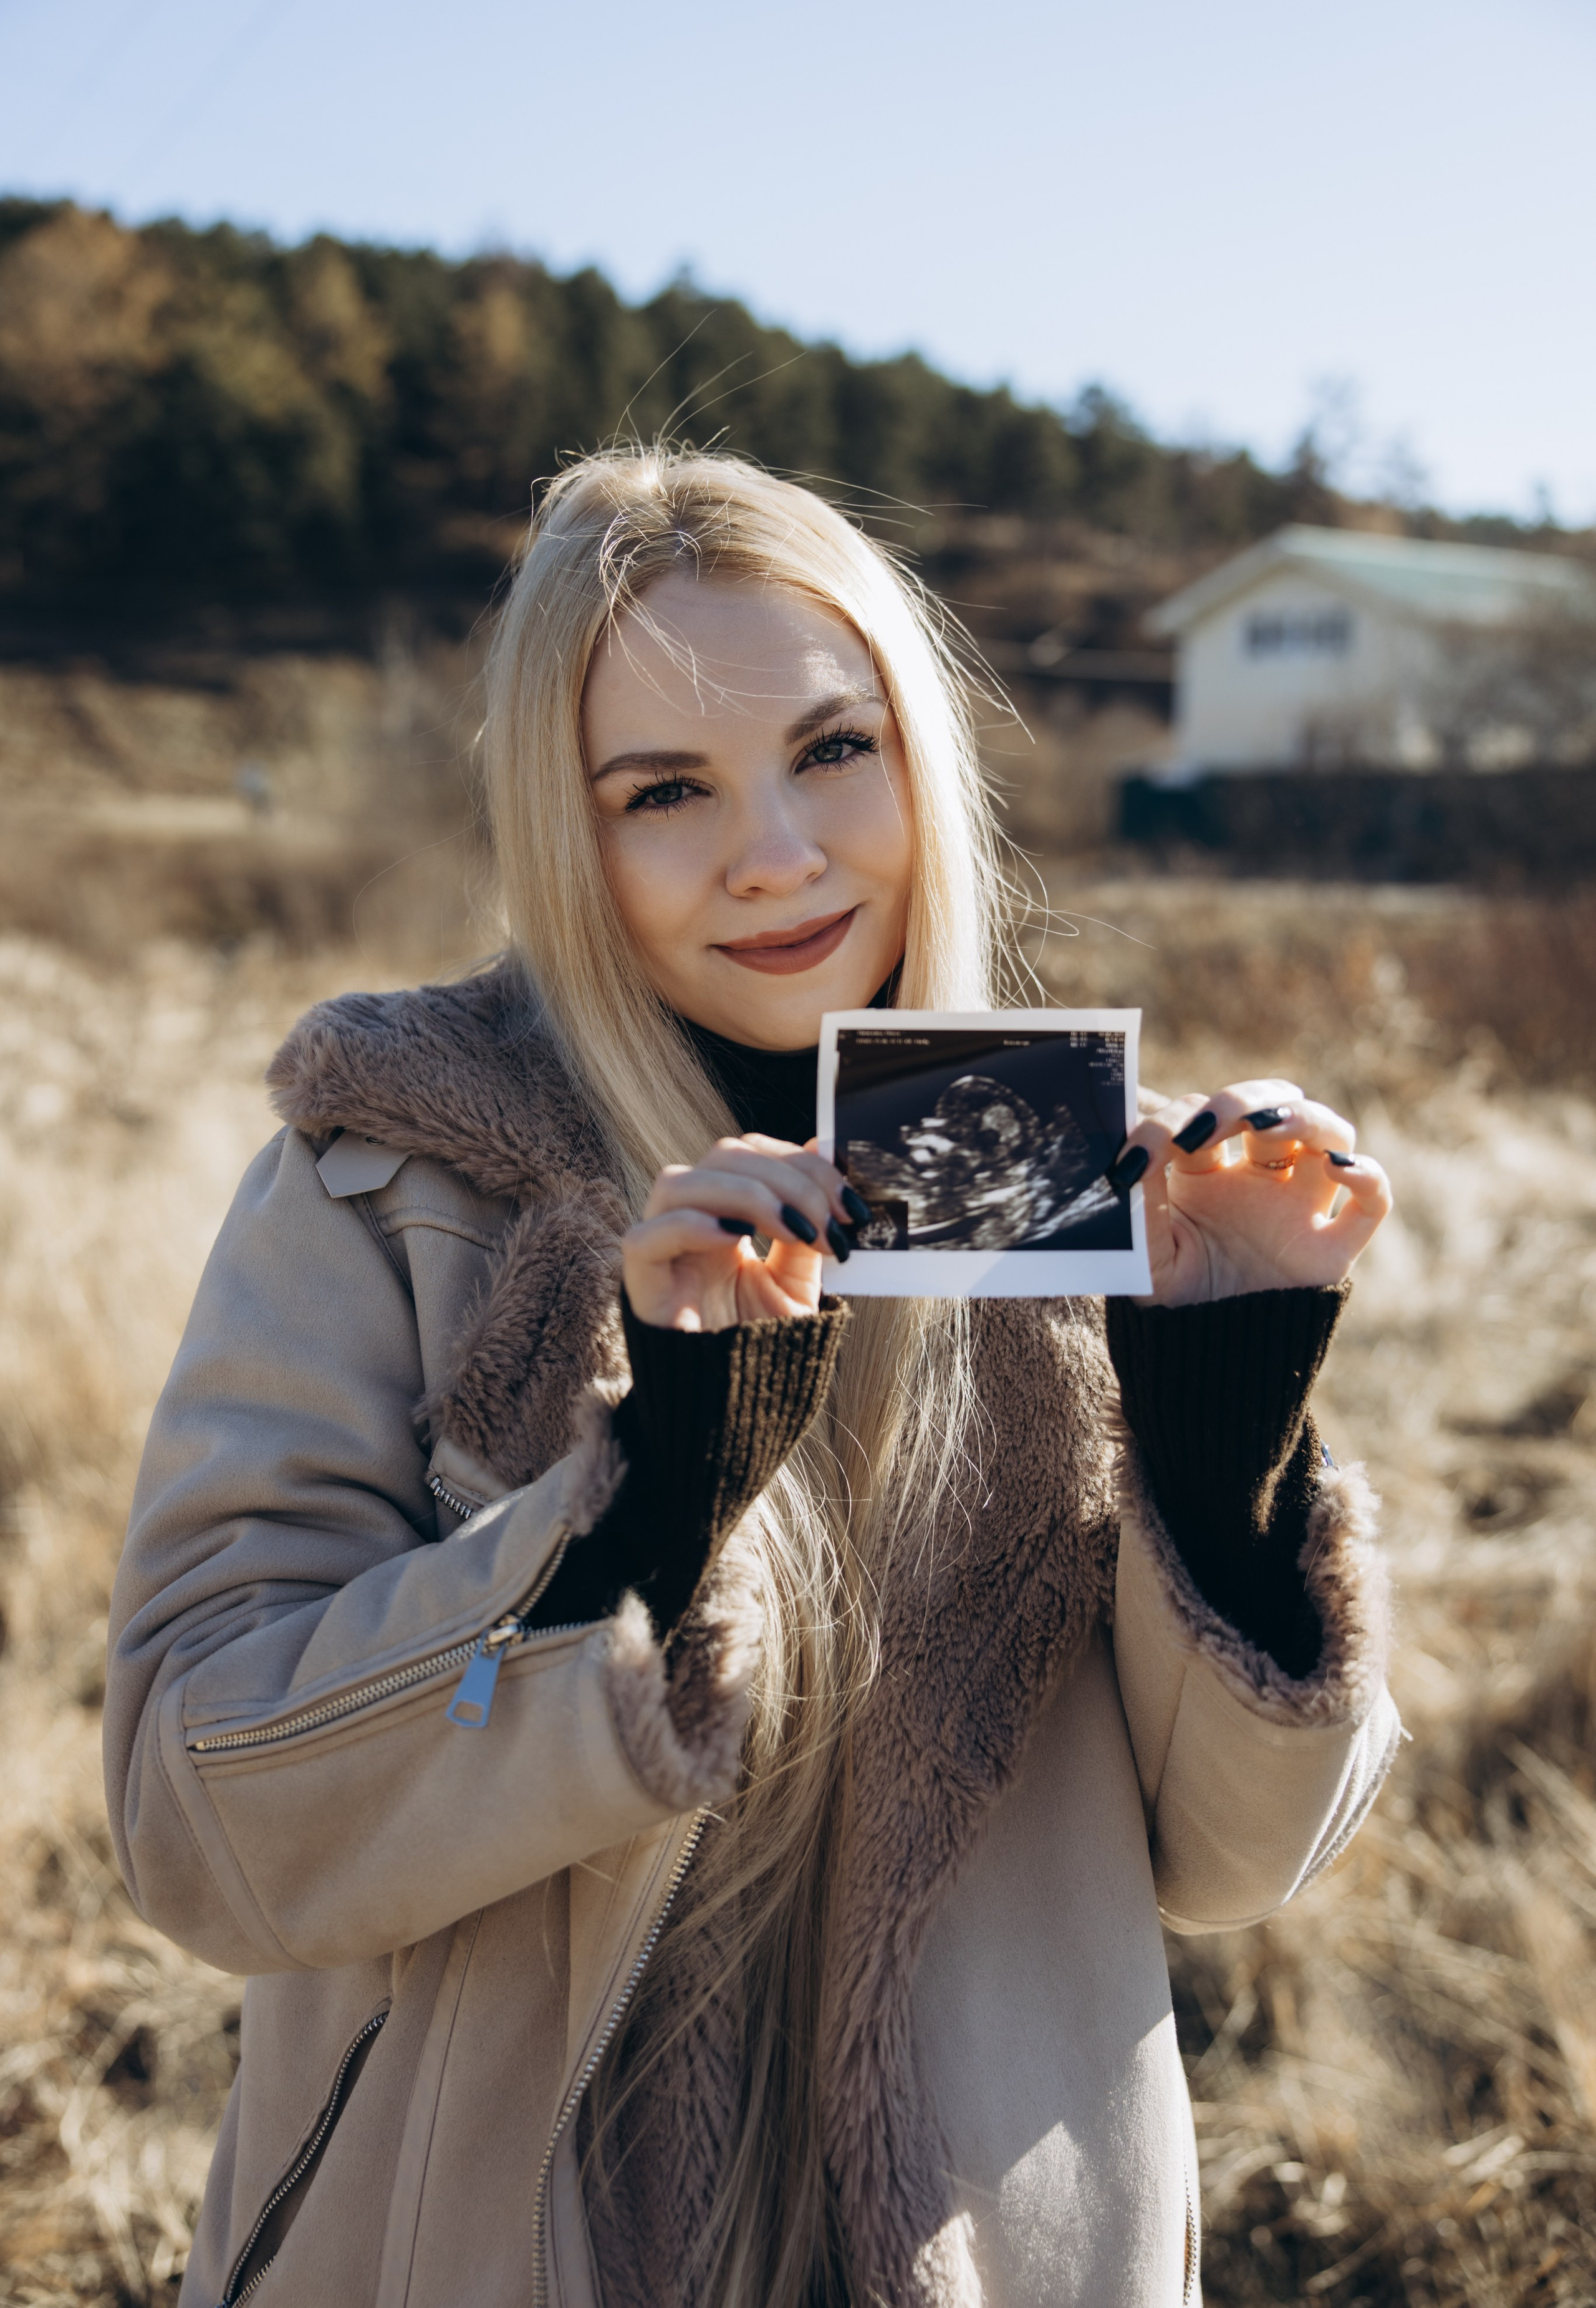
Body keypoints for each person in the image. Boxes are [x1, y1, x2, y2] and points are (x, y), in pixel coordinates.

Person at [105, 450, 1400, 2308]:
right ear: (567, 828)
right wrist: (647, 1504)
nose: (775, 854)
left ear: (923, 758)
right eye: (665, 791)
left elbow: (1233, 1864)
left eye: (833, 750)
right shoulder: (393, 1179)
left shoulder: (1053, 1173)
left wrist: (1224, 1412)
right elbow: (193, 1830)